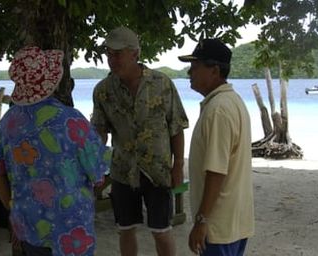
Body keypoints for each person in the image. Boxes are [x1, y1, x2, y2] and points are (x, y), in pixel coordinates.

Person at [0, 46, 109, 256]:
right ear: (52, 81)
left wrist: (12, 209)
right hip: (72, 229)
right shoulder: (72, 121)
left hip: (27, 226)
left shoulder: (7, 124)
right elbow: (98, 173)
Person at [91, 26, 189, 256]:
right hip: (122, 171)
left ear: (135, 54)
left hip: (157, 171)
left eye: (117, 54)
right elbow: (100, 132)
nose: (111, 59)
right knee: (125, 229)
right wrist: (91, 161)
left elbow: (176, 128)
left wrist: (178, 167)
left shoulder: (162, 84)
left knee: (161, 230)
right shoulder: (103, 90)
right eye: (108, 54)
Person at [178, 39, 255, 256]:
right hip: (234, 222)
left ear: (214, 71)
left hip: (219, 225)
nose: (189, 72)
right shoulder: (232, 101)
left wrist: (201, 221)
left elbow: (216, 171)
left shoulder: (218, 110)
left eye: (195, 66)